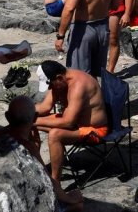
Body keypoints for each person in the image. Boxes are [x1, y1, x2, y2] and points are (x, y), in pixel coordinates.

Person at [34, 60, 105, 208]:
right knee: (27, 122)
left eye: (51, 85)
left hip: (93, 129)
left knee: (55, 135)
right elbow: (45, 107)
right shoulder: (59, 80)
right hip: (75, 124)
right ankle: (37, 166)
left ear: (59, 78)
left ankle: (55, 184)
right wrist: (23, 112)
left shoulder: (78, 85)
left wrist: (35, 121)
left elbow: (67, 122)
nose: (51, 89)